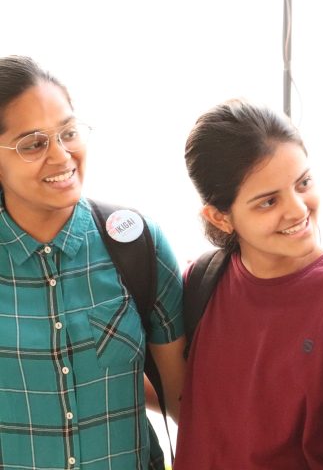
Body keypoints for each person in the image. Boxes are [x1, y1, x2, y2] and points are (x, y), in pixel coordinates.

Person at [173, 99, 323, 469]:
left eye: (304, 183)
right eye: (268, 202)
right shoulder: (200, 283)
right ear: (220, 218)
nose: (298, 209)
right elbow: (178, 397)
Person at [0, 55, 185, 468]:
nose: (61, 155)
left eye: (68, 132)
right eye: (34, 144)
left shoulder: (140, 245)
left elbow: (184, 400)